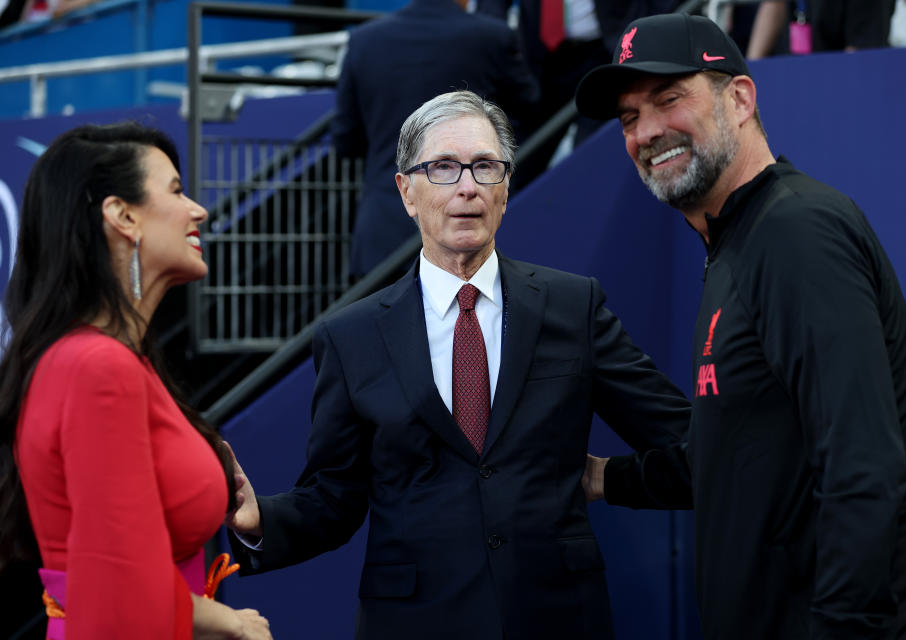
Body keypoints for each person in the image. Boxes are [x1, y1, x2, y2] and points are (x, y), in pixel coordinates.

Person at [226, 89, 692, 639]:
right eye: (444, 167)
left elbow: (690, 445)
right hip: (413, 623)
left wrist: (612, 479)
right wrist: (260, 522)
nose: (467, 186)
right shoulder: (350, 335)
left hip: (558, 619)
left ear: (506, 185)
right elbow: (335, 495)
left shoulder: (573, 307)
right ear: (406, 192)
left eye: (485, 167)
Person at [575, 12, 906, 639]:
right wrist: (598, 477)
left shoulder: (793, 231)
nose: (647, 131)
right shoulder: (734, 243)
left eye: (669, 99)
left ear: (741, 98)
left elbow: (861, 464)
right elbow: (733, 462)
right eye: (628, 117)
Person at [0, 122, 273, 639]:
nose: (198, 209)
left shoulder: (103, 359)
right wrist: (229, 622)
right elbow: (119, 578)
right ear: (122, 217)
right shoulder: (98, 368)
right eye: (175, 190)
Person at [331, 0, 539, 277]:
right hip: (470, 230)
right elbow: (531, 113)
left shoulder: (364, 40)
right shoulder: (491, 36)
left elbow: (345, 140)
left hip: (383, 234)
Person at [474, 0, 681, 189]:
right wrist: (495, 37)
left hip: (605, 53)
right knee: (515, 162)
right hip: (540, 61)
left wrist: (648, 36)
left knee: (589, 158)